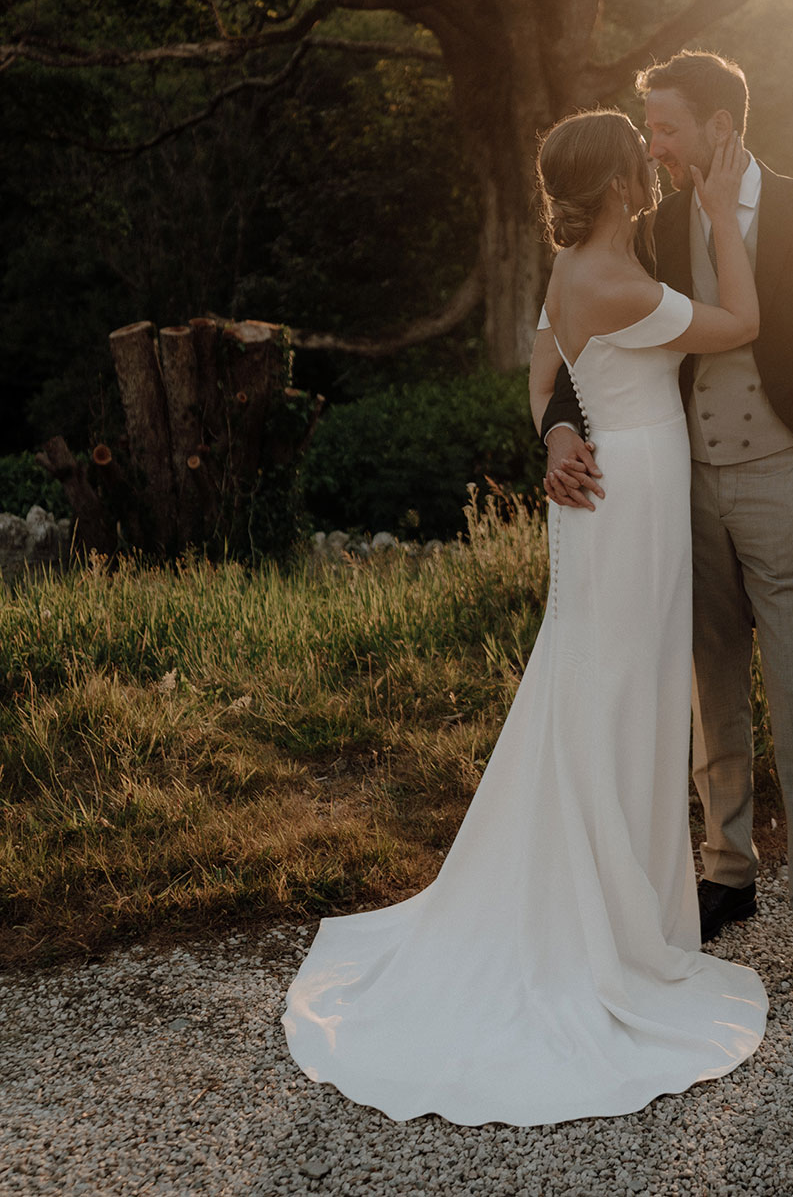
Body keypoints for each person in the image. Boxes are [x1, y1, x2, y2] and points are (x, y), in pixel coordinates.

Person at [282, 110, 768, 1126]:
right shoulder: (619, 282)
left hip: (604, 495)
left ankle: (613, 893)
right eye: (640, 166)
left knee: (598, 681)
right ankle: (608, 922)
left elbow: (546, 380)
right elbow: (742, 326)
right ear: (615, 189)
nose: (653, 170)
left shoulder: (567, 277)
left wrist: (553, 437)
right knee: (621, 689)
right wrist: (722, 217)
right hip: (627, 499)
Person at [543, 52, 793, 1016]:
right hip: (682, 492)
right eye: (648, 130)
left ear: (719, 126)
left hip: (789, 483)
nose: (651, 145)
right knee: (710, 688)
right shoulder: (650, 229)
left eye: (664, 127)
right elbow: (568, 338)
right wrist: (559, 427)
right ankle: (726, 875)